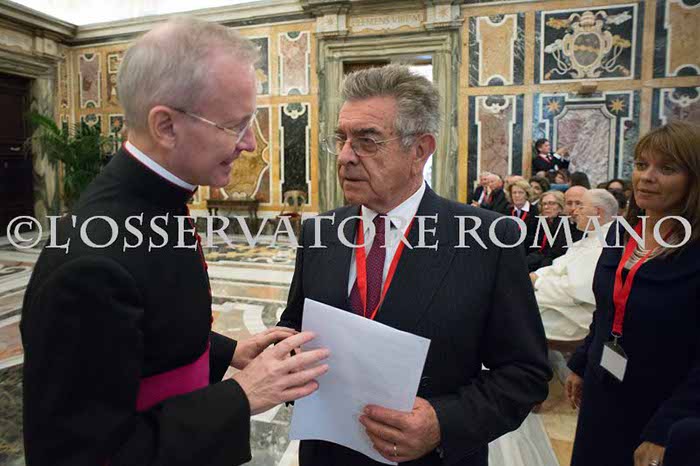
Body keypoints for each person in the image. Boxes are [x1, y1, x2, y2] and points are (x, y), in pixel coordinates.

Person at [20, 18, 329, 466]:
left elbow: (150, 329)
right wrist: (241, 396)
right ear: (166, 126)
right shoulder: (90, 267)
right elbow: (81, 455)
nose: (249, 144)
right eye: (236, 125)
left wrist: (230, 352)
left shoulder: (158, 201)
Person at [278, 64, 551, 466]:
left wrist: (442, 423)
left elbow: (525, 373)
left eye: (367, 141)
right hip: (327, 454)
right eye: (341, 139)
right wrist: (282, 357)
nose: (345, 156)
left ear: (420, 150)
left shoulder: (489, 239)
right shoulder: (319, 231)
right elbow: (295, 325)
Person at [565, 121, 700, 466]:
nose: (647, 177)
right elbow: (606, 309)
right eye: (641, 165)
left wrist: (666, 428)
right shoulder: (620, 234)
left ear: (693, 179)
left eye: (666, 169)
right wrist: (581, 362)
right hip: (603, 388)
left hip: (662, 404)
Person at [530, 189, 618, 341]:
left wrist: (537, 282)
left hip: (575, 319)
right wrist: (536, 276)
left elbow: (575, 290)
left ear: (597, 212)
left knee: (511, 315)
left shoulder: (605, 245)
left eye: (581, 206)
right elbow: (558, 266)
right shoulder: (590, 238)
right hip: (558, 304)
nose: (575, 211)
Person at [525, 190, 571, 272]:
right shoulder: (544, 222)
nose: (546, 207)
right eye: (544, 204)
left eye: (551, 203)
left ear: (560, 206)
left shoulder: (564, 223)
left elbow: (556, 253)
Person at [505, 179, 539, 251]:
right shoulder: (507, 211)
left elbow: (535, 236)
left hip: (528, 250)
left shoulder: (535, 212)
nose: (517, 195)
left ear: (527, 194)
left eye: (520, 192)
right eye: (514, 193)